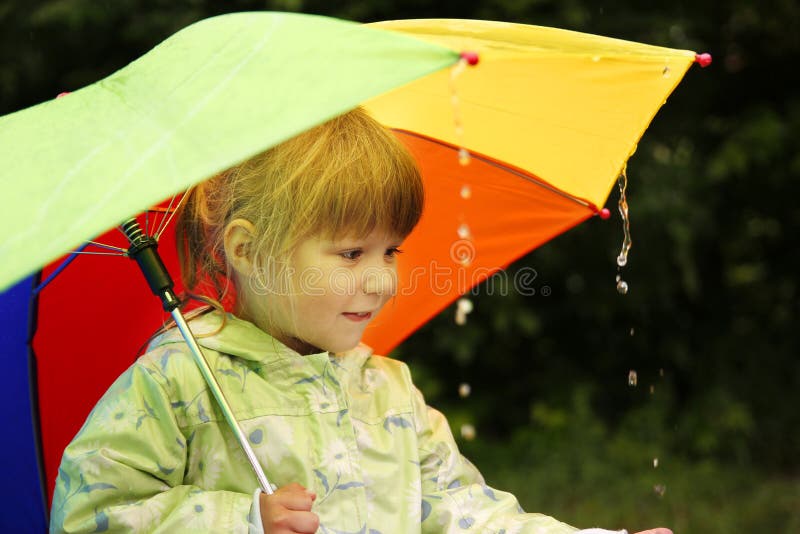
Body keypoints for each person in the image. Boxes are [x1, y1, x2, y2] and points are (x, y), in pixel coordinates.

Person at [50, 108, 672, 534]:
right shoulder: (177, 381)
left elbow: (467, 515)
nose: (381, 279)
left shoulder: (388, 391)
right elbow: (91, 517)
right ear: (246, 250)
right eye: (351, 253)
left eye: (391, 251)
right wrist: (243, 520)